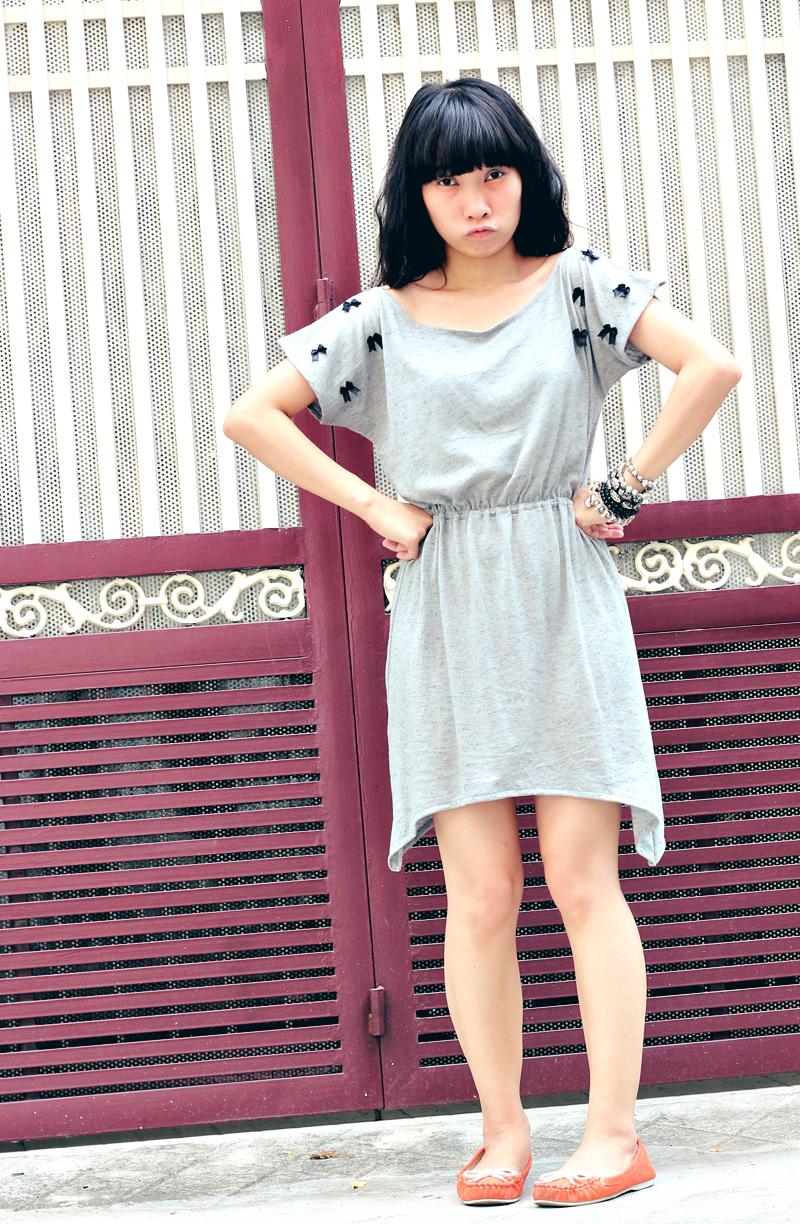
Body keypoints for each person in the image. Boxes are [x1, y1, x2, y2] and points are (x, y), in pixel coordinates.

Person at [223, 79, 741, 1208]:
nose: (475, 201)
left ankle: (613, 1134)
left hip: (562, 590)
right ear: (417, 194)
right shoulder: (378, 318)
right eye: (450, 180)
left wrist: (623, 486)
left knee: (581, 877)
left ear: (526, 180)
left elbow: (711, 366)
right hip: (448, 603)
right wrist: (373, 507)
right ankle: (500, 1133)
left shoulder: (577, 286)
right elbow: (249, 414)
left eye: (495, 174)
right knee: (481, 892)